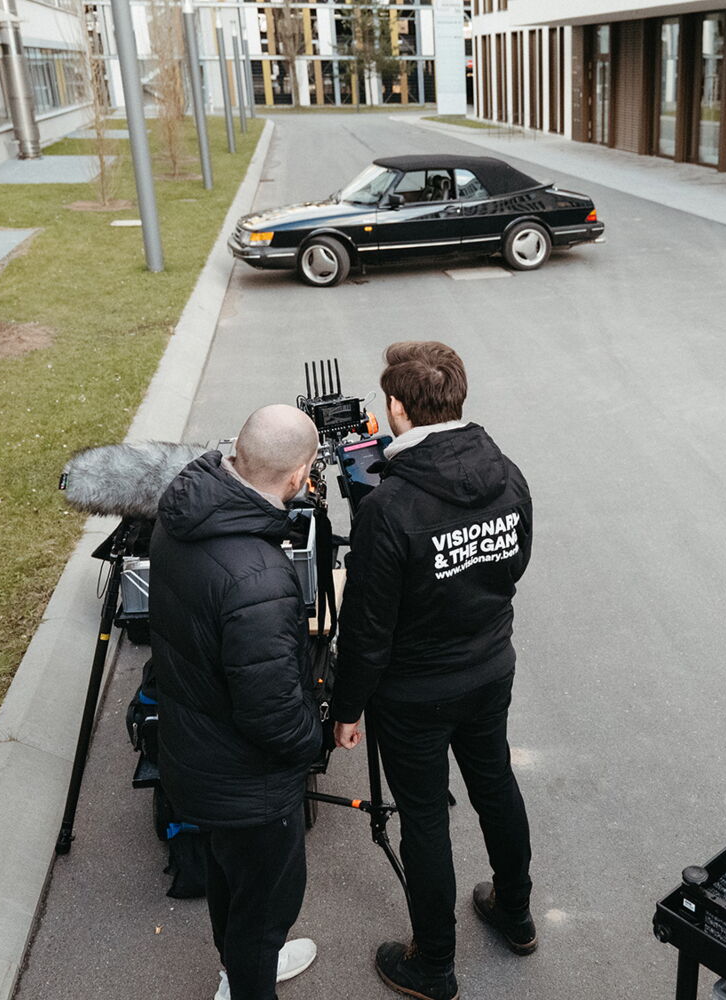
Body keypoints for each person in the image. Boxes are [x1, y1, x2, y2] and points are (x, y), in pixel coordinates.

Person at [332, 341, 536, 1000]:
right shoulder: (506, 472)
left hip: (414, 693)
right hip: (489, 667)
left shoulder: (388, 509)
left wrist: (345, 709)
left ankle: (434, 963)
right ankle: (516, 911)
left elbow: (365, 632)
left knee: (424, 818)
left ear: (397, 408)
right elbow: (515, 562)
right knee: (495, 782)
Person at [150, 404, 324, 1000]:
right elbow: (272, 713)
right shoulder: (260, 578)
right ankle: (250, 979)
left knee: (231, 878)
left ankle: (241, 969)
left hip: (195, 756)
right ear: (300, 474)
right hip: (248, 782)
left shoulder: (183, 510)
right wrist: (314, 739)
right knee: (264, 906)